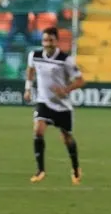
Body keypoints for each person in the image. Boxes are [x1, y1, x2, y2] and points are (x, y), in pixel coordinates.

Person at [24, 27, 86, 184]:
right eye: (45, 40)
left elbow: (80, 80)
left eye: (51, 40)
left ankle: (76, 167)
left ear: (57, 42)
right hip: (44, 101)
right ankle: (40, 170)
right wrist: (28, 89)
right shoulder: (35, 56)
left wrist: (65, 90)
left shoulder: (65, 60)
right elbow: (30, 71)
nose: (47, 43)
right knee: (38, 130)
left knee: (66, 138)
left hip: (62, 105)